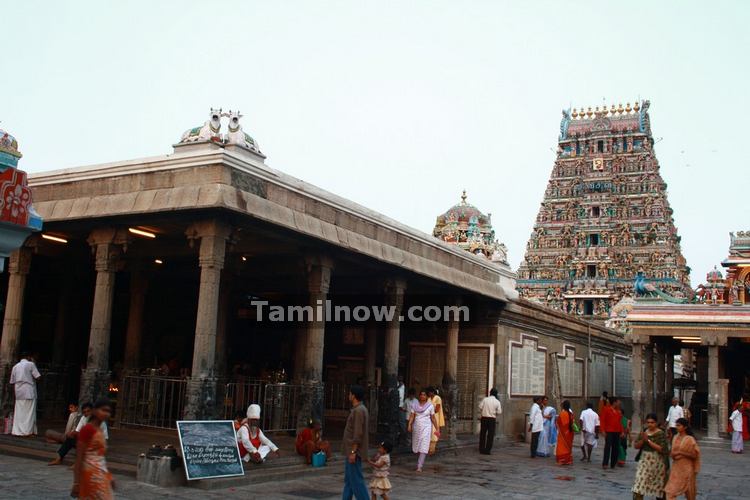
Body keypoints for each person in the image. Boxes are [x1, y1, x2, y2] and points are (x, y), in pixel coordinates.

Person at [71, 399, 114, 499]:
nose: (106, 414)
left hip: (100, 476)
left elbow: (100, 458)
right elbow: (79, 458)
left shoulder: (100, 430)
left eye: (109, 411)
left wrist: (108, 476)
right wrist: (76, 483)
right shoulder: (87, 429)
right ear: (95, 411)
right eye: (103, 410)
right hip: (89, 476)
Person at [631, 413, 670, 500]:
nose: (650, 424)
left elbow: (662, 449)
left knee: (658, 488)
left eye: (652, 422)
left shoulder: (660, 434)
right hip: (644, 461)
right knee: (639, 486)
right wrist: (643, 440)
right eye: (648, 422)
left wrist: (648, 441)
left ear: (656, 423)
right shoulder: (644, 432)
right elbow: (636, 446)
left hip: (657, 463)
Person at [342, 385, 369, 500]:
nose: (349, 395)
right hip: (350, 450)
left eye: (350, 393)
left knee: (356, 480)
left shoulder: (359, 411)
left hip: (354, 451)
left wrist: (353, 451)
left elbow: (358, 433)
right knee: (349, 480)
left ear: (353, 396)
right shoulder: (359, 409)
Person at [664, 418, 700, 500]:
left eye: (679, 425)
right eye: (676, 425)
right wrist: (673, 454)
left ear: (685, 427)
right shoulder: (675, 437)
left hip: (687, 468)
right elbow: (672, 452)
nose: (677, 427)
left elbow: (695, 455)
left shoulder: (690, 439)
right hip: (676, 468)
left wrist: (681, 453)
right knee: (670, 491)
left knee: (690, 493)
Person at [9, 353, 41, 436]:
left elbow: (12, 381)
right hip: (29, 391)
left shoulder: (15, 366)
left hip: (19, 391)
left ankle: (17, 431)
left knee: (19, 412)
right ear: (28, 357)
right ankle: (27, 431)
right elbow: (38, 377)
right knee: (29, 412)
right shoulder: (31, 364)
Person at [408, 389, 438, 472]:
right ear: (419, 396)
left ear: (426, 396)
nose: (422, 396)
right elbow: (412, 416)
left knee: (424, 445)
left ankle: (419, 466)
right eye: (421, 394)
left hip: (426, 427)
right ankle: (419, 460)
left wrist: (437, 428)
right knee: (417, 445)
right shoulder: (414, 405)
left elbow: (433, 418)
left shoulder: (430, 406)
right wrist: (409, 425)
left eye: (424, 395)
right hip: (416, 427)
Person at [601, 396, 624, 469]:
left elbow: (620, 422)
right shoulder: (606, 409)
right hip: (609, 431)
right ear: (614, 402)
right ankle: (605, 463)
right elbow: (602, 420)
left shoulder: (618, 411)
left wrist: (622, 431)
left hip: (617, 431)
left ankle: (613, 463)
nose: (619, 403)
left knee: (616, 447)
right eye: (618, 402)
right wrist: (603, 430)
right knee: (607, 447)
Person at [478, 388, 502, 455]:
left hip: (484, 418)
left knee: (483, 434)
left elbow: (480, 407)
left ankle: (481, 449)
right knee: (490, 435)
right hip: (492, 419)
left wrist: (484, 411)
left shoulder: (485, 399)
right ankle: (487, 450)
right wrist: (494, 413)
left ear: (490, 393)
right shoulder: (497, 402)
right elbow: (499, 412)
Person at [555, 400, 575, 465]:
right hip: (570, 433)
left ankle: (562, 460)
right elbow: (572, 423)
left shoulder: (563, 413)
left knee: (561, 447)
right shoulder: (571, 413)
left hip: (563, 433)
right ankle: (568, 460)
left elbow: (561, 423)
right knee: (568, 447)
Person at [427, 387, 444, 455]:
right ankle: (428, 448)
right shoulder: (428, 399)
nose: (428, 393)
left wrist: (430, 411)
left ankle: (432, 449)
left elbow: (437, 409)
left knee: (434, 432)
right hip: (428, 417)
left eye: (429, 392)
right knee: (429, 431)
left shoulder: (437, 398)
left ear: (433, 392)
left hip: (435, 416)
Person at [397, 376, 406, 444]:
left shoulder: (403, 387)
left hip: (401, 406)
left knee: (402, 423)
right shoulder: (397, 386)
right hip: (396, 406)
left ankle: (403, 437)